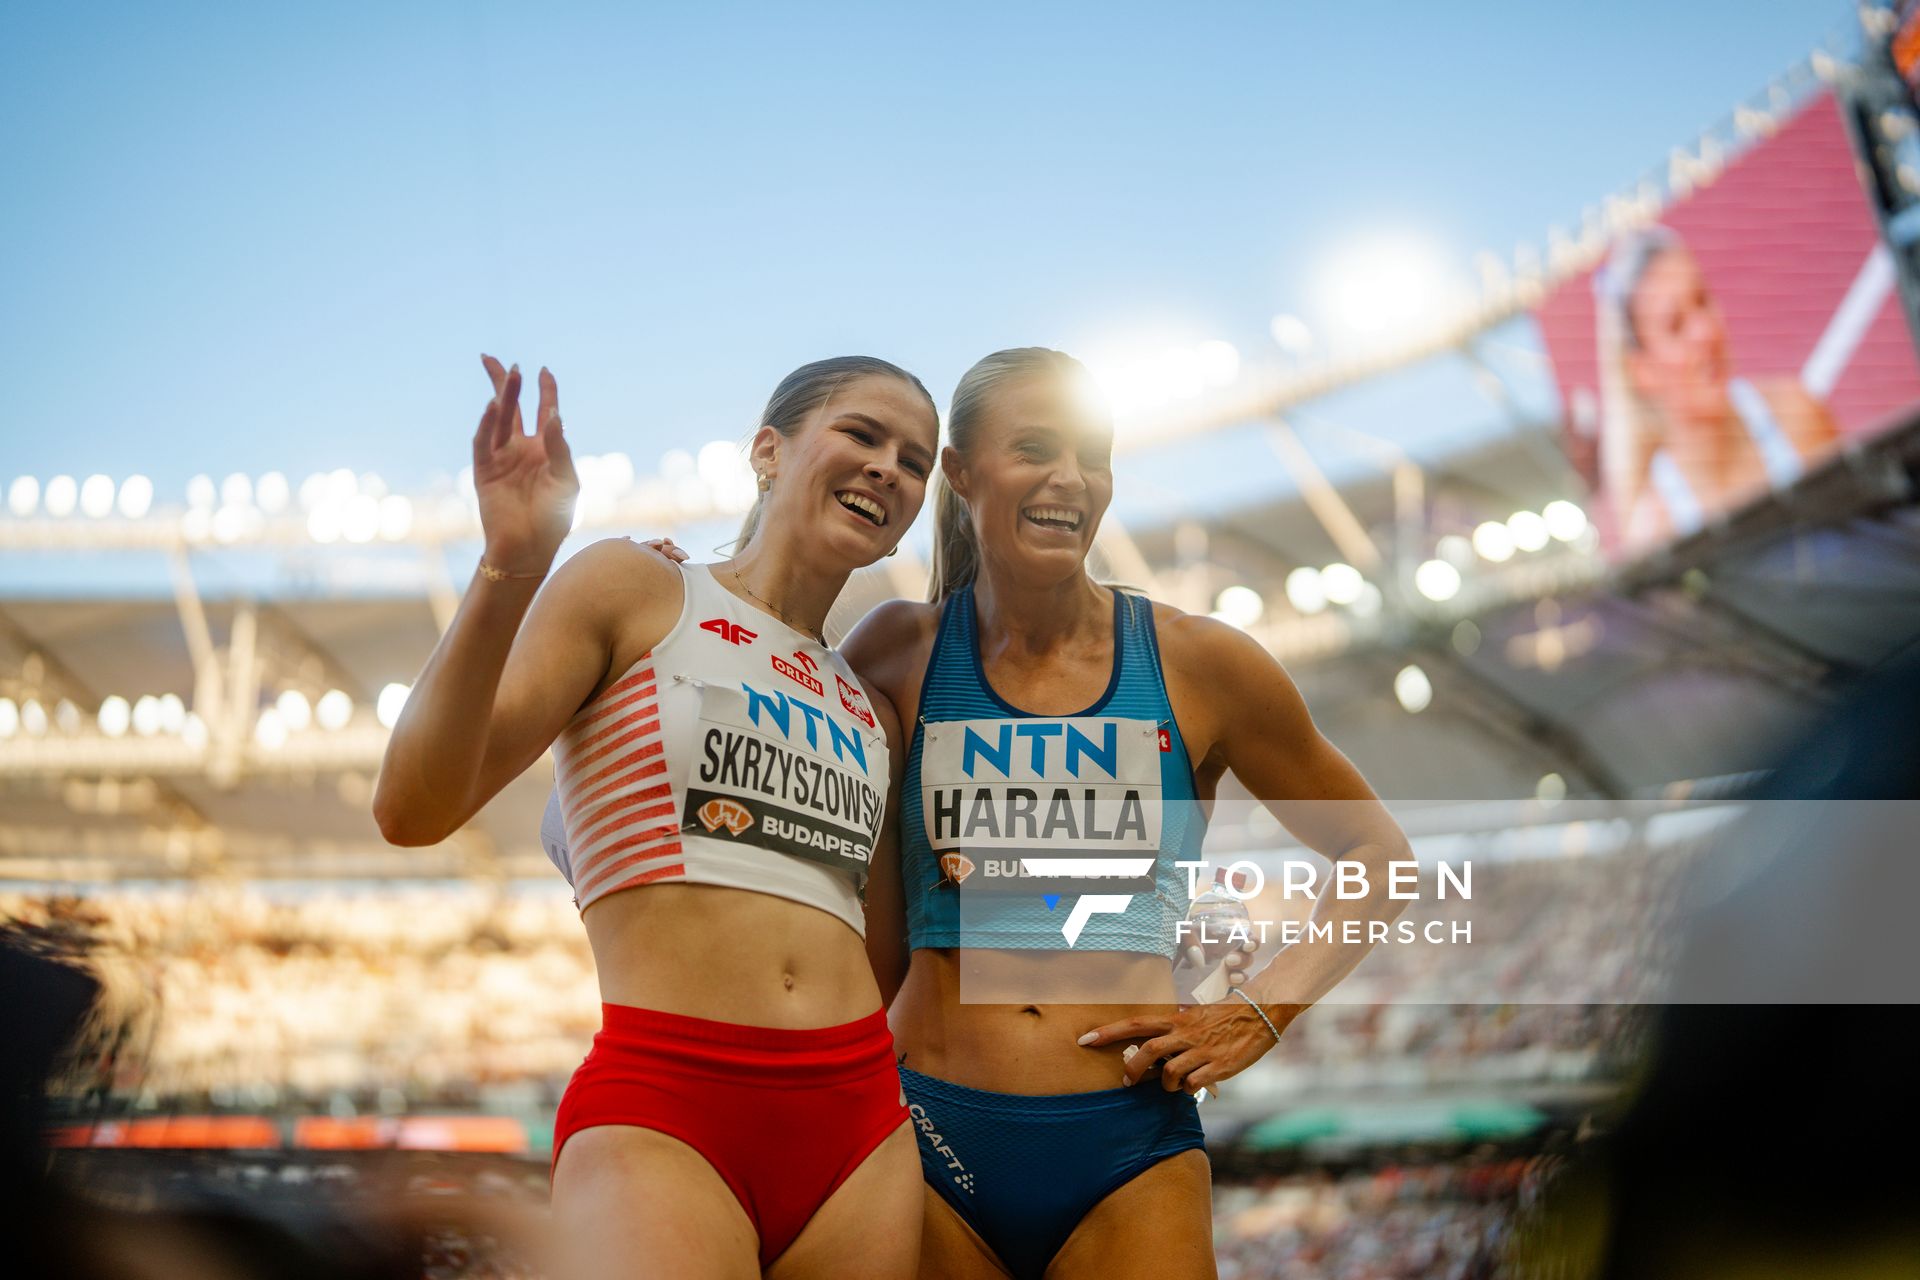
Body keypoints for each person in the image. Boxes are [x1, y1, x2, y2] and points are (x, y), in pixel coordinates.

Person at [839, 347, 1415, 1280]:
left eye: (1092, 455)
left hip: (1128, 1149)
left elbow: (1378, 855)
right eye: (1034, 447)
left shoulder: (1201, 664)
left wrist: (1262, 1009)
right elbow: (870, 941)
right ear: (960, 471)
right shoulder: (897, 652)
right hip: (926, 1131)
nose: (1069, 477)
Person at [373, 353, 940, 1279]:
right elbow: (411, 810)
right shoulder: (635, 589)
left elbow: (882, 957)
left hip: (859, 1124)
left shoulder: (868, 708)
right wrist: (510, 566)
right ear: (768, 450)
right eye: (862, 435)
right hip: (668, 1102)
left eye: (914, 461)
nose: (888, 468)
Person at [1593, 226, 1841, 550]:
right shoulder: (1657, 531)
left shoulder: (1797, 417)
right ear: (1643, 371)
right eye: (1676, 325)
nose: (1705, 331)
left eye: (1702, 300)